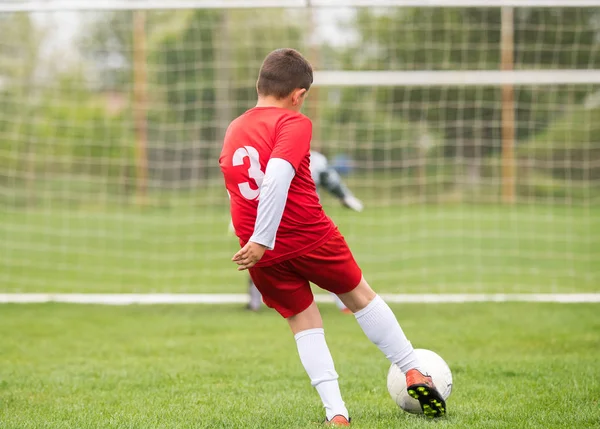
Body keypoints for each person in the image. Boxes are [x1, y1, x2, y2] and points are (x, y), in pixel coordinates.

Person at [219, 48, 446, 426]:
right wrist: (263, 236)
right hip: (306, 236)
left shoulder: (234, 128)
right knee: (360, 298)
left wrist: (253, 239)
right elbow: (276, 176)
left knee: (303, 323)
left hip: (261, 254)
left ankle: (336, 412)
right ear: (299, 95)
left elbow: (233, 186)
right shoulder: (294, 122)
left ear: (260, 84)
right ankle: (413, 371)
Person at [242, 150, 363, 312]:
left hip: (303, 223)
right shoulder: (265, 158)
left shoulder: (315, 160)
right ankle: (254, 304)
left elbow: (331, 180)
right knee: (261, 260)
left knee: (325, 264)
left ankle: (345, 303)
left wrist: (344, 196)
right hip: (274, 222)